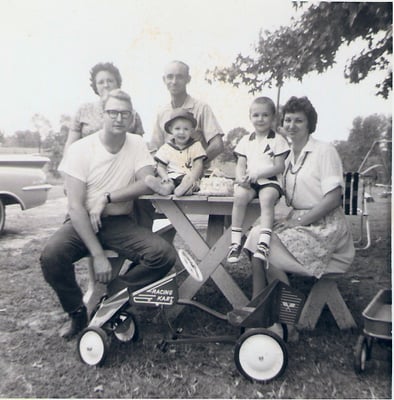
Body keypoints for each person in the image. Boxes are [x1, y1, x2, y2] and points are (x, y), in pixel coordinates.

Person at [40, 89, 177, 340]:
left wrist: (107, 197)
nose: (118, 118)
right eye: (112, 112)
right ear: (102, 115)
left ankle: (112, 298)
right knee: (52, 256)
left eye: (125, 113)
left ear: (132, 117)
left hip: (118, 222)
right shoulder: (81, 149)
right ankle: (78, 313)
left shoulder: (136, 143)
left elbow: (147, 181)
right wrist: (98, 254)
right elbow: (76, 207)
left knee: (163, 254)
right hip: (82, 223)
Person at [243, 96, 355, 299]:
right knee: (256, 235)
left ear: (309, 124)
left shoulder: (324, 151)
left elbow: (334, 198)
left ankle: (284, 315)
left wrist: (299, 221)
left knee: (264, 244)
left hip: (325, 228)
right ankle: (259, 305)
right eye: (287, 120)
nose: (291, 125)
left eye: (298, 120)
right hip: (299, 223)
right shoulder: (285, 156)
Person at [227, 97, 289, 263]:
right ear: (250, 117)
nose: (260, 119)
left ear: (273, 118)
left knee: (267, 198)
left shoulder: (278, 140)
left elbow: (279, 167)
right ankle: (235, 242)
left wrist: (259, 174)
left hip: (269, 180)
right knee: (239, 196)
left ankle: (264, 243)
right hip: (250, 182)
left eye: (265, 115)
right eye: (256, 115)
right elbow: (241, 164)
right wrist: (240, 177)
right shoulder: (246, 140)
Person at [149, 60, 224, 163]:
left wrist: (196, 166)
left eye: (179, 77)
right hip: (169, 174)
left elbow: (217, 145)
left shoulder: (201, 108)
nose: (174, 82)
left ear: (188, 79)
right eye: (170, 77)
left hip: (196, 174)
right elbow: (154, 148)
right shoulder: (162, 112)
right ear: (164, 80)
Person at [64, 62, 144, 152]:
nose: (106, 85)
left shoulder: (132, 115)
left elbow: (139, 149)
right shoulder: (83, 111)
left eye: (110, 81)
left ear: (117, 83)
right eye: (101, 82)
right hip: (87, 163)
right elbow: (70, 147)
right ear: (95, 87)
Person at [145, 109, 207, 196]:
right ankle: (164, 189)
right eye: (177, 128)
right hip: (172, 177)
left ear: (192, 131)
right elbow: (161, 167)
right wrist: (164, 176)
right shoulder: (166, 148)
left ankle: (183, 189)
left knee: (189, 182)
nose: (181, 132)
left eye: (186, 129)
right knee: (168, 184)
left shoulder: (196, 145)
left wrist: (193, 177)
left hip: (189, 177)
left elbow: (198, 165)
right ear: (171, 130)